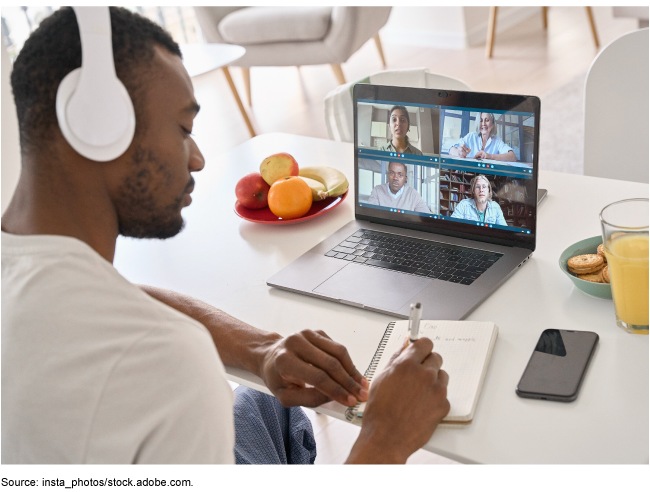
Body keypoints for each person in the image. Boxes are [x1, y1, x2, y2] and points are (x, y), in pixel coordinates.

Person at [1, 7, 450, 464]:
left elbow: (106, 297)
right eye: (183, 128)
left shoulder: (34, 278)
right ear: (98, 126)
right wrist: (385, 439)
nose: (196, 159)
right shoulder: (170, 363)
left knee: (263, 400)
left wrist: (261, 348)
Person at [449, 112, 516, 162]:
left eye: (487, 120)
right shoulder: (471, 136)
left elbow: (512, 157)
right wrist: (459, 152)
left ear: (492, 124)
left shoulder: (497, 140)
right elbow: (451, 149)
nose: (483, 124)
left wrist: (491, 156)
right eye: (481, 121)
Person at [367, 162, 431, 213]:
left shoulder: (413, 194)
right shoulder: (377, 190)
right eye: (392, 173)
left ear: (405, 178)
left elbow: (427, 218)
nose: (395, 178)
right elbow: (370, 214)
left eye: (400, 175)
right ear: (388, 174)